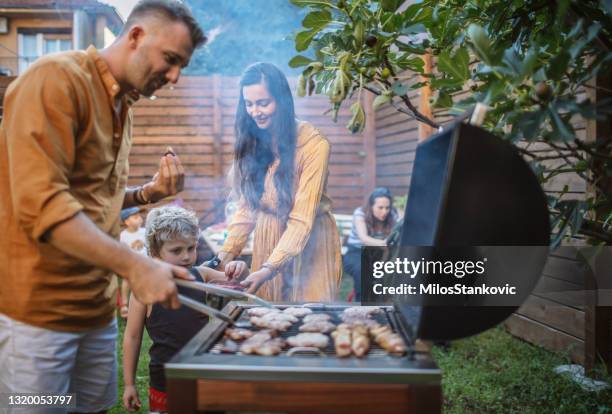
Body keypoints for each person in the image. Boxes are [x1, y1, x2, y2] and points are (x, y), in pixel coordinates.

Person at [0, 1, 206, 412]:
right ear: (135, 36)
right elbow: (42, 204)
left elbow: (92, 199)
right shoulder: (56, 80)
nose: (175, 77)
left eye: (181, 65)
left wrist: (146, 195)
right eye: (170, 60)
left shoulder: (122, 108)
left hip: (94, 313)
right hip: (38, 318)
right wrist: (136, 266)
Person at [215, 62, 342, 302]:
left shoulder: (315, 145)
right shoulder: (253, 141)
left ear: (282, 101)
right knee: (269, 322)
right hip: (268, 236)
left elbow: (302, 219)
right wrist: (225, 254)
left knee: (311, 319)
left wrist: (268, 268)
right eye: (249, 104)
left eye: (263, 103)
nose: (255, 112)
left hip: (310, 242)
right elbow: (247, 208)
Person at [123, 206, 243, 413]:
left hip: (203, 369)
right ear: (154, 252)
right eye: (176, 250)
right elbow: (132, 337)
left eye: (191, 248)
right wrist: (129, 385)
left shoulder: (202, 274)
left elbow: (238, 283)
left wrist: (240, 267)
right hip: (165, 376)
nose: (186, 257)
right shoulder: (145, 289)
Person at [344, 187, 398, 301]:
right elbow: (364, 238)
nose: (384, 212)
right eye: (380, 208)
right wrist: (384, 243)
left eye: (387, 208)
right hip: (356, 252)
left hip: (380, 253)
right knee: (362, 269)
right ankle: (360, 304)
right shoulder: (360, 213)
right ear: (371, 206)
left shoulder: (392, 214)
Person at [119, 207, 147, 318]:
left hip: (145, 263)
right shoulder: (124, 235)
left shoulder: (144, 232)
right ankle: (124, 304)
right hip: (132, 264)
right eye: (135, 217)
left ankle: (144, 303)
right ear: (126, 222)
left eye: (140, 216)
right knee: (127, 280)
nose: (140, 219)